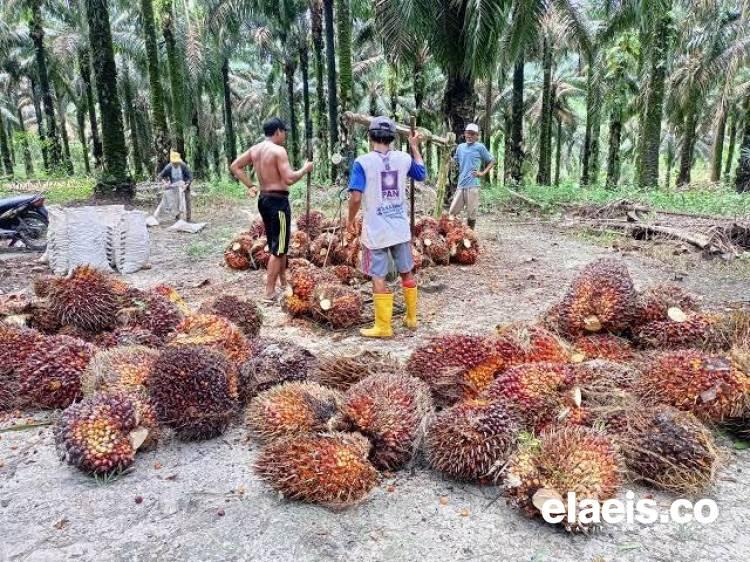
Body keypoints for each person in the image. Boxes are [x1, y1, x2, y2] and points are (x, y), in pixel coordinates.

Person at [347, 115, 426, 338]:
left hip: (376, 230)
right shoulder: (403, 158)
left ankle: (383, 326)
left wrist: (350, 219)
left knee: (378, 276)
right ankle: (411, 318)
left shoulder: (362, 162)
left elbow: (355, 198)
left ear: (370, 135)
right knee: (406, 271)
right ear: (392, 137)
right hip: (400, 228)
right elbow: (421, 174)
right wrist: (414, 147)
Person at [230, 117, 314, 301]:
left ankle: (283, 282)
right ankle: (269, 291)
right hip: (278, 203)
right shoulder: (278, 151)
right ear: (278, 131)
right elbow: (289, 179)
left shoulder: (255, 149)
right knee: (278, 248)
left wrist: (250, 185)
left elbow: (235, 166)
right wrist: (305, 169)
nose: (284, 136)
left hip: (264, 200)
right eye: (284, 132)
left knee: (278, 243)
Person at [449, 123, 495, 230]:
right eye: (467, 133)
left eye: (472, 134)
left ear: (477, 136)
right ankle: (453, 234)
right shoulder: (460, 147)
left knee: (471, 213)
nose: (469, 136)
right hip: (461, 184)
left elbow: (492, 160)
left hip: (473, 185)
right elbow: (454, 161)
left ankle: (470, 236)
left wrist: (482, 173)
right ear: (464, 134)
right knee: (452, 212)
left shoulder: (480, 147)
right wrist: (448, 159)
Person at [154, 150, 193, 223]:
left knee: (187, 201)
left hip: (184, 186)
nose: (176, 164)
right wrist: (165, 183)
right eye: (174, 163)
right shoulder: (168, 167)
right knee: (176, 202)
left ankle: (188, 219)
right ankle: (177, 218)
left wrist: (186, 185)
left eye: (177, 163)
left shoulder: (183, 166)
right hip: (174, 187)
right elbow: (160, 176)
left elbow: (190, 177)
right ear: (172, 162)